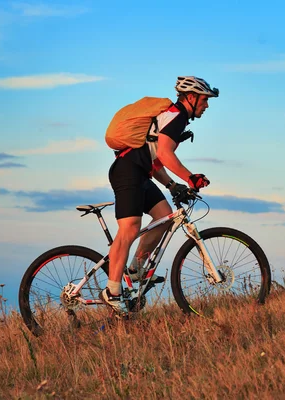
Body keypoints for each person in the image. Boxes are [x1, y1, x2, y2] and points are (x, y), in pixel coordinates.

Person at [101, 76, 220, 316]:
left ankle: (135, 269)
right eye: (205, 100)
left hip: (140, 173)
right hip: (127, 172)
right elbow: (165, 154)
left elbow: (154, 159)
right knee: (130, 228)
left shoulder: (173, 118)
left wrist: (172, 185)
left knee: (164, 217)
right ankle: (112, 292)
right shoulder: (176, 117)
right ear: (191, 97)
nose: (206, 105)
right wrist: (190, 177)